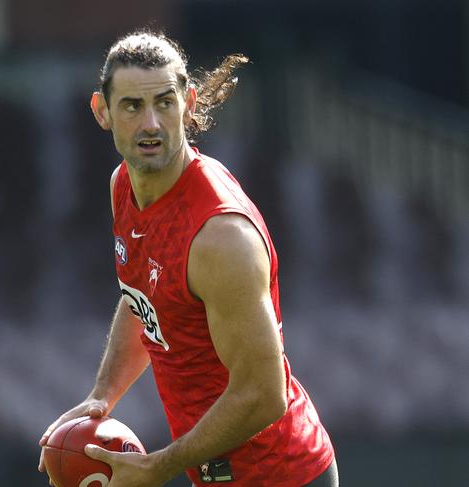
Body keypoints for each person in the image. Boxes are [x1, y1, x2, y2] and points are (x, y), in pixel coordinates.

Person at [39, 30, 338, 487]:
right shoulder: (124, 185)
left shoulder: (220, 237)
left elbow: (264, 394)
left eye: (164, 102)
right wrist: (101, 398)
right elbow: (145, 296)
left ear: (189, 103)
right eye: (133, 107)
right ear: (102, 111)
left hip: (284, 478)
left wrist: (158, 467)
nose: (151, 124)